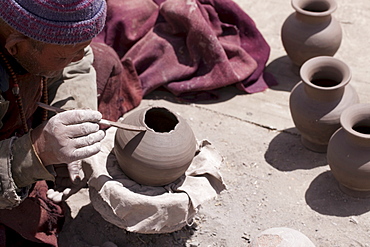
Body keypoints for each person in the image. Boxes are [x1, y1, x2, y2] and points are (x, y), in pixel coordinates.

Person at [0, 0, 108, 246]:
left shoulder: (47, 38)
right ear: (16, 46)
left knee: (105, 59)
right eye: (64, 56)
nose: (79, 55)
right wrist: (37, 151)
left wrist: (74, 117)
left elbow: (79, 61)